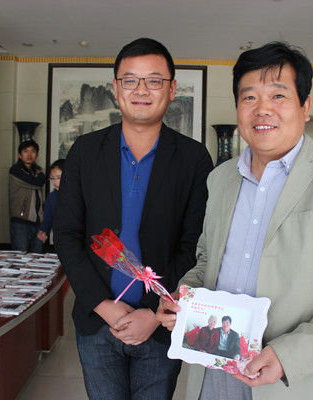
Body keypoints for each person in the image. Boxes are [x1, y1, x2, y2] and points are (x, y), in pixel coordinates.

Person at [157, 41, 313, 400]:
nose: (262, 109)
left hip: (296, 381)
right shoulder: (220, 179)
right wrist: (183, 297)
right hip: (212, 372)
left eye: (278, 96)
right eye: (249, 97)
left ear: (305, 106)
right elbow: (206, 262)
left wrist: (289, 355)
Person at [53, 37, 214, 400]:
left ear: (172, 89)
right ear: (116, 88)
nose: (141, 90)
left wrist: (154, 314)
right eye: (130, 80)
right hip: (97, 321)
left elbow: (195, 244)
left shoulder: (193, 159)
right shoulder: (85, 152)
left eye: (154, 80)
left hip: (159, 324)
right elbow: (66, 234)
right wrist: (103, 306)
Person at [9, 139, 46, 253]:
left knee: (37, 258)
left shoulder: (36, 171)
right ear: (20, 155)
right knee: (21, 257)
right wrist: (40, 176)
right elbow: (38, 182)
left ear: (37, 155)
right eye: (25, 151)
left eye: (33, 151)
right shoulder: (15, 170)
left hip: (37, 222)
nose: (29, 154)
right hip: (21, 221)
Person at [37, 159, 64, 248]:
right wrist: (43, 230)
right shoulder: (52, 197)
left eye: (59, 178)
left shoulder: (79, 195)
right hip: (60, 239)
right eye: (52, 178)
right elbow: (48, 219)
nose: (55, 182)